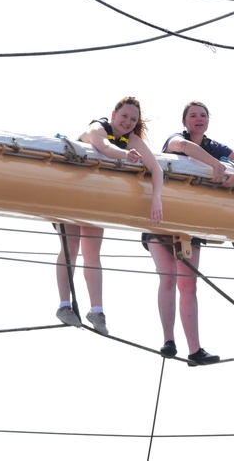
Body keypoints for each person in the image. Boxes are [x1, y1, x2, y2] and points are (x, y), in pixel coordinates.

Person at [153, 101, 234, 365]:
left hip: (192, 221)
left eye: (203, 115)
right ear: (185, 122)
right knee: (168, 278)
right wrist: (216, 166)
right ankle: (168, 340)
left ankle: (195, 350)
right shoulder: (177, 139)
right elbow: (184, 148)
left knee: (188, 284)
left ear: (208, 121)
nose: (198, 119)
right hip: (164, 215)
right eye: (193, 116)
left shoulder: (214, 145)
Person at [54, 96, 163, 338]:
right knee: (70, 248)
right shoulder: (97, 128)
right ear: (113, 115)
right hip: (71, 189)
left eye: (133, 120)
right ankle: (64, 304)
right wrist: (126, 156)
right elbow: (104, 147)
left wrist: (156, 198)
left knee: (92, 252)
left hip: (95, 195)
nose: (128, 122)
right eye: (124, 116)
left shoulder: (131, 139)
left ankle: (97, 311)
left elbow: (156, 168)